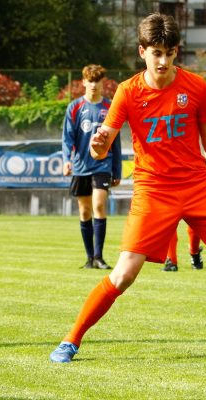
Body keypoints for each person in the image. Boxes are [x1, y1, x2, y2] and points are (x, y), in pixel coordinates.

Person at [50, 13, 206, 363]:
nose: (163, 61)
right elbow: (100, 147)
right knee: (123, 274)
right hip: (153, 190)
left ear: (177, 51)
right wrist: (98, 144)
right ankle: (71, 339)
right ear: (142, 52)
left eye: (169, 52)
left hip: (198, 185)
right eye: (156, 53)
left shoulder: (197, 87)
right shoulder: (127, 92)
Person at [62, 64, 122, 270]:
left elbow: (116, 141)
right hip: (80, 166)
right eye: (91, 80)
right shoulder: (75, 107)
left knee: (99, 206)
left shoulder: (110, 107)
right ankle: (89, 258)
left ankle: (99, 256)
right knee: (85, 211)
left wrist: (117, 170)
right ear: (84, 82)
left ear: (103, 83)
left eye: (98, 81)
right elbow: (67, 137)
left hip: (102, 165)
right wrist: (66, 160)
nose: (94, 85)